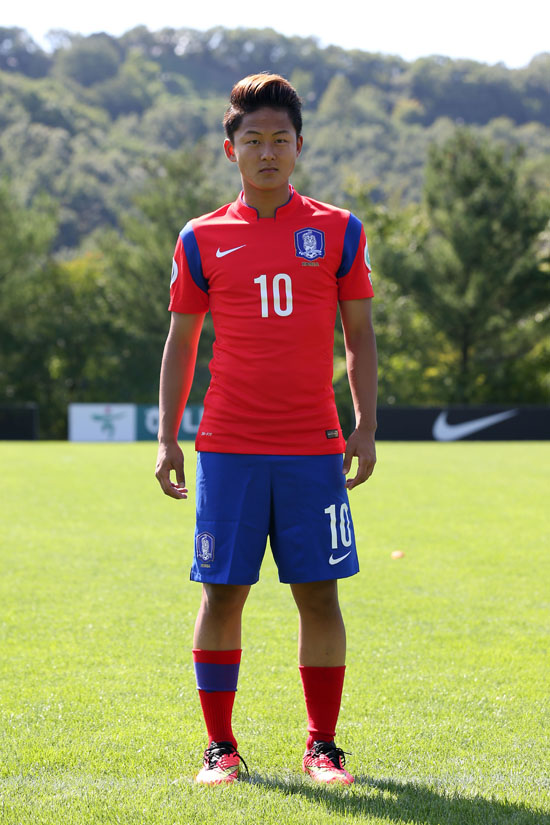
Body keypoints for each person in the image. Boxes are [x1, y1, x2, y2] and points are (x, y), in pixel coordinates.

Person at [155, 73, 377, 786]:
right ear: (231, 150)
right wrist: (167, 437)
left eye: (281, 139)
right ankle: (220, 748)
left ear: (299, 147)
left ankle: (323, 746)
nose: (269, 151)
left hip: (313, 446)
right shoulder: (200, 238)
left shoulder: (340, 230)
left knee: (319, 591)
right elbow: (182, 344)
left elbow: (361, 338)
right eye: (254, 139)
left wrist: (365, 424)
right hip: (227, 445)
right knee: (223, 593)